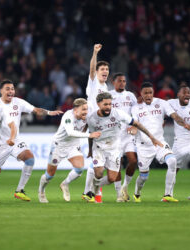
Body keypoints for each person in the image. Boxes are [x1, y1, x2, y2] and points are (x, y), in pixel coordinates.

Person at [0, 79, 62, 202]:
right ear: (1, 91)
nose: (11, 91)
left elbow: (35, 110)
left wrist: (49, 112)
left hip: (15, 140)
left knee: (29, 158)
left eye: (12, 89)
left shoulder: (19, 102)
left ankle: (19, 190)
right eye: (7, 89)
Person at [87, 92, 163, 202]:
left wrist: (152, 137)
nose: (108, 107)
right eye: (105, 104)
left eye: (110, 104)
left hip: (114, 148)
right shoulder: (92, 118)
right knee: (98, 173)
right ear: (98, 104)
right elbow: (91, 135)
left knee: (112, 178)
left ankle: (92, 189)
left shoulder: (118, 113)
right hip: (99, 148)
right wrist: (90, 150)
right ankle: (92, 191)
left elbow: (137, 124)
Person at [128, 82, 190, 202]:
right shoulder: (136, 108)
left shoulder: (162, 103)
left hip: (159, 142)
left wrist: (184, 123)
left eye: (150, 92)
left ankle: (167, 195)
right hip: (144, 146)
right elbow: (135, 124)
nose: (148, 95)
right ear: (141, 94)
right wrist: (133, 130)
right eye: (145, 93)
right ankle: (137, 193)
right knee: (143, 176)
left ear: (153, 93)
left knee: (172, 161)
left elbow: (174, 116)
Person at [38, 98, 101, 203]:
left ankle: (65, 184)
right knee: (50, 175)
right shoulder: (68, 116)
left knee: (79, 168)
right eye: (83, 110)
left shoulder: (88, 111)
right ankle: (41, 191)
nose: (86, 112)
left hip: (73, 145)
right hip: (59, 145)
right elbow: (70, 132)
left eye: (86, 109)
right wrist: (89, 135)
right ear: (75, 110)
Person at [82, 44, 109, 203]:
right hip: (90, 123)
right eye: (102, 69)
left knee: (97, 161)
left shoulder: (105, 87)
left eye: (107, 69)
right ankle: (92, 192)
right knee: (96, 161)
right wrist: (94, 52)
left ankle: (90, 192)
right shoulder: (94, 82)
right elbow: (92, 68)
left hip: (99, 125)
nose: (105, 71)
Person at [109, 73, 138, 201]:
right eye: (119, 81)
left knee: (133, 161)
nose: (122, 83)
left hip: (128, 135)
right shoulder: (108, 95)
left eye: (124, 81)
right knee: (117, 164)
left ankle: (125, 187)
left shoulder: (130, 96)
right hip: (114, 135)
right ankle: (118, 194)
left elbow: (136, 111)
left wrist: (135, 125)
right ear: (113, 82)